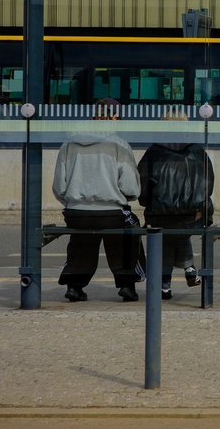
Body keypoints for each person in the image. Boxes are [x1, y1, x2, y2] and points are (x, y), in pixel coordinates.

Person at [53, 98, 143, 302]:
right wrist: (123, 196)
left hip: (77, 212)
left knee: (81, 244)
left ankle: (74, 286)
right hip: (112, 211)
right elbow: (130, 186)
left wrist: (72, 202)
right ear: (114, 116)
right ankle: (127, 285)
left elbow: (60, 184)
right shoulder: (119, 144)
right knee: (126, 240)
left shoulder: (69, 143)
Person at [137, 115, 214, 300]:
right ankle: (189, 267)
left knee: (166, 239)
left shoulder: (154, 152)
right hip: (191, 213)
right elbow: (208, 181)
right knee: (180, 232)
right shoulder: (197, 151)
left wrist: (148, 202)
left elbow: (142, 182)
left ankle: (165, 286)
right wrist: (200, 204)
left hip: (160, 213)